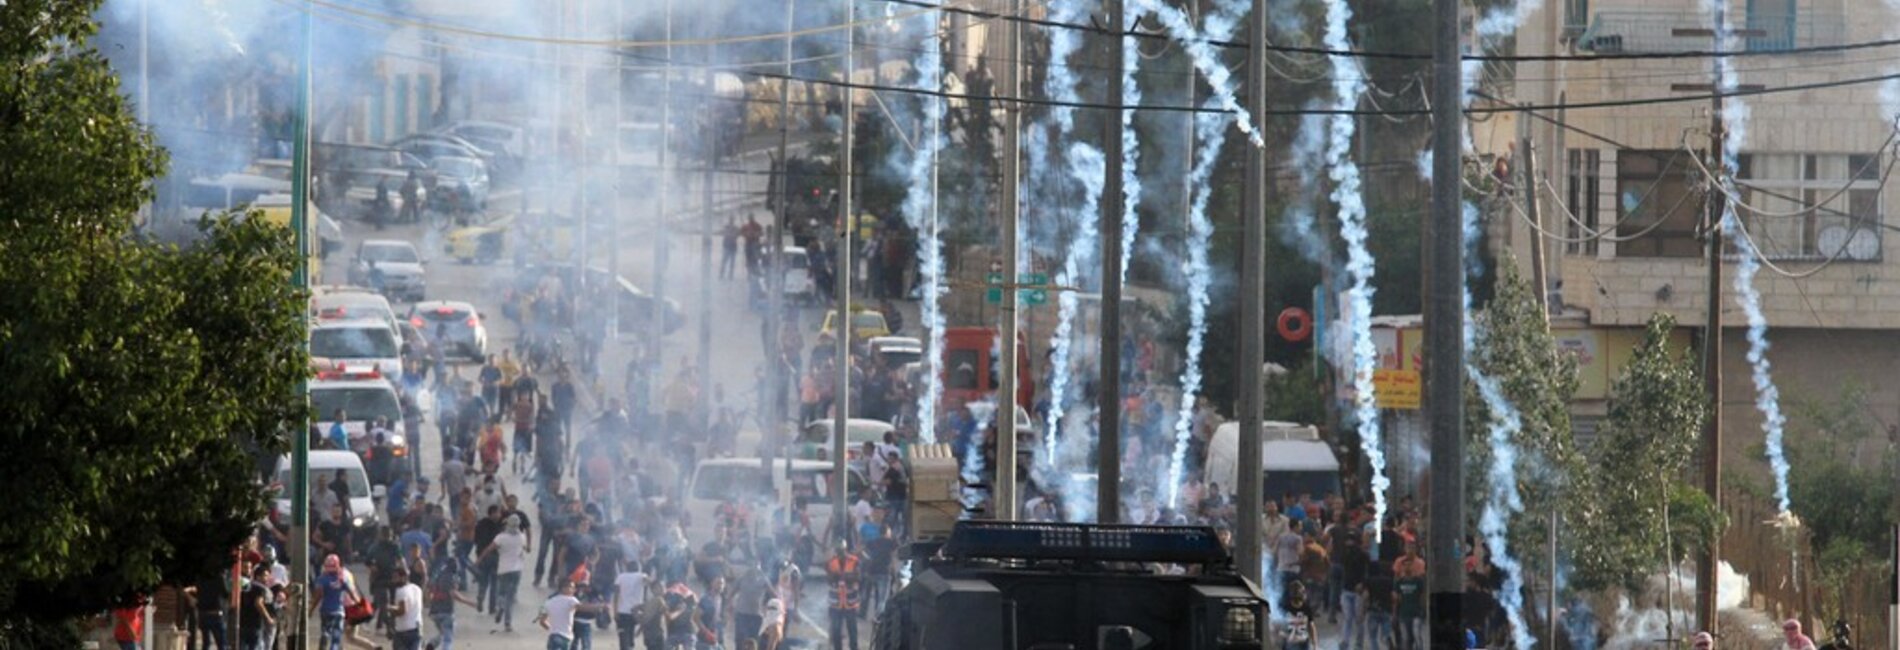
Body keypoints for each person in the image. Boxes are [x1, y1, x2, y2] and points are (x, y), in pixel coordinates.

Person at [481, 516, 531, 632]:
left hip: (503, 569)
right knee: (511, 597)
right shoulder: (521, 537)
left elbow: (489, 549)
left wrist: (480, 559)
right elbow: (526, 549)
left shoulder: (501, 537)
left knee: (501, 593)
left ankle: (500, 606)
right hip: (517, 570)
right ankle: (508, 623)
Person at [311, 555, 358, 650]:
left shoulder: (322, 579)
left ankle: (324, 642)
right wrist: (359, 605)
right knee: (336, 638)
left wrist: (311, 609)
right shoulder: (342, 579)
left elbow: (318, 596)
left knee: (325, 632)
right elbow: (352, 593)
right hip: (339, 612)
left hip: (325, 611)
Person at [824, 541, 861, 650]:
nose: (840, 554)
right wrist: (844, 577)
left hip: (850, 602)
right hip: (835, 603)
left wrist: (841, 576)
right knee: (836, 631)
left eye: (842, 551)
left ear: (845, 550)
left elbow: (858, 577)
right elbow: (829, 579)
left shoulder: (854, 561)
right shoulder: (831, 562)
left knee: (852, 631)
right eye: (838, 551)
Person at [1392, 543, 1427, 650]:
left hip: (1416, 610)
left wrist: (1423, 609)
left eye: (1412, 548)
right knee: (1405, 637)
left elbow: (1422, 593)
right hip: (1403, 611)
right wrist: (1394, 611)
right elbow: (1396, 594)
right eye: (1408, 548)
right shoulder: (1399, 580)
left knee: (1416, 635)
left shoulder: (1419, 567)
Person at [536, 579, 588, 650]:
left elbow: (542, 621)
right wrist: (599, 606)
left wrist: (552, 629)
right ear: (563, 588)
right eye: (572, 587)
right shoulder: (571, 600)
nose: (574, 590)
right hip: (565, 637)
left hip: (553, 636)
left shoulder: (549, 601)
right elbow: (582, 607)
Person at [387, 566, 423, 650]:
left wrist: (389, 608)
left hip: (403, 631)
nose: (393, 580)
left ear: (404, 577)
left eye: (396, 577)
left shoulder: (401, 591)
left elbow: (402, 610)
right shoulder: (417, 589)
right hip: (417, 629)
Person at [1280, 582, 1316, 650]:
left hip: (1302, 644)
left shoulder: (1306, 608)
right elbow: (1279, 629)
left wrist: (1314, 645)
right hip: (1291, 644)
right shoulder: (1285, 608)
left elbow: (1312, 627)